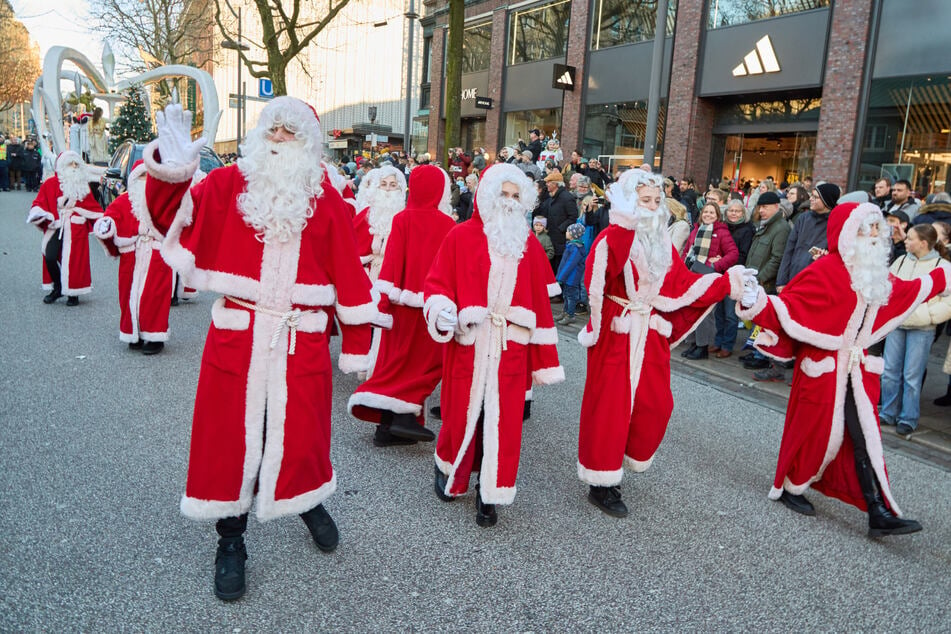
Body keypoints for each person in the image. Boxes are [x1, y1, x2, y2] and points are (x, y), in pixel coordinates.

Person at [142, 100, 378, 601]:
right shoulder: (227, 184)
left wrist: (356, 344)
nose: (280, 138)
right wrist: (173, 168)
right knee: (229, 440)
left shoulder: (327, 198)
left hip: (301, 338)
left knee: (303, 432)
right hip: (238, 332)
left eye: (292, 131)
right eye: (274, 128)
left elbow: (351, 275)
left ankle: (305, 497)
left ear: (310, 143)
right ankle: (231, 540)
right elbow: (170, 219)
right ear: (259, 133)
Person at [739, 201, 949, 537]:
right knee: (813, 431)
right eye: (870, 229)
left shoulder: (876, 274)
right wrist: (755, 302)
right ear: (850, 233)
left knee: (863, 436)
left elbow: (906, 291)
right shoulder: (826, 270)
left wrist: (941, 276)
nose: (879, 235)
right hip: (821, 369)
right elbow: (789, 305)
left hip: (856, 369)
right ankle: (793, 485)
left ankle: (877, 511)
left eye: (879, 229)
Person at [576, 169, 753, 517]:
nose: (654, 207)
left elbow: (682, 284)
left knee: (656, 404)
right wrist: (624, 226)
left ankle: (623, 458)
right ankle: (602, 481)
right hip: (618, 331)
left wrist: (725, 284)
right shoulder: (612, 238)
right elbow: (600, 274)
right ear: (629, 203)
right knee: (610, 408)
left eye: (657, 201)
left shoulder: (662, 244)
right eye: (645, 201)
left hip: (650, 331)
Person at [423, 162, 564, 528]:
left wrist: (543, 360)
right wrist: (441, 311)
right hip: (469, 343)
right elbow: (437, 284)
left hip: (510, 347)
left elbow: (539, 305)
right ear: (487, 195)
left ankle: (491, 492)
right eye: (503, 193)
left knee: (503, 422)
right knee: (460, 412)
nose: (509, 202)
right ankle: (451, 468)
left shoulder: (527, 244)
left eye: (516, 196)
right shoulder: (460, 236)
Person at [347, 164, 457, 447]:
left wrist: (383, 301)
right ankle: (401, 417)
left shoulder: (402, 219)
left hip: (399, 305)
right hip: (431, 306)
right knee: (427, 364)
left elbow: (392, 263)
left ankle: (388, 426)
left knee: (395, 362)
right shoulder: (448, 225)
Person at [92, 160, 177, 354]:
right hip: (132, 254)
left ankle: (155, 337)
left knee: (155, 296)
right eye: (141, 176)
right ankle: (134, 333)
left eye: (150, 176)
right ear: (133, 179)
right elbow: (111, 217)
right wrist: (106, 226)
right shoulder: (123, 201)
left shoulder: (166, 202)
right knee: (128, 294)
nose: (146, 180)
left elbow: (179, 223)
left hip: (157, 253)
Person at [878, 224, 951, 436]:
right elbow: (886, 286)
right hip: (897, 323)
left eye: (910, 238)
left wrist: (929, 316)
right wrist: (889, 309)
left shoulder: (942, 266)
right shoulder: (901, 261)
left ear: (923, 243)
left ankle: (908, 417)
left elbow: (948, 301)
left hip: (922, 327)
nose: (905, 241)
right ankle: (888, 411)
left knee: (912, 374)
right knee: (890, 371)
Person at [26, 150, 104, 305]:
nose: (73, 167)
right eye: (70, 164)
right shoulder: (50, 183)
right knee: (50, 256)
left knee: (74, 261)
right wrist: (42, 215)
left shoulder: (83, 186)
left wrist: (103, 225)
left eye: (76, 164)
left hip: (76, 228)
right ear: (61, 166)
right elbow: (39, 203)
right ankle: (58, 287)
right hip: (57, 225)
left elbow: (93, 208)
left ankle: (73, 293)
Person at [679, 201, 739, 360]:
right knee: (692, 310)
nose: (708, 215)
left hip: (708, 277)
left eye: (712, 213)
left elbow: (733, 254)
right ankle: (693, 343)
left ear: (718, 216)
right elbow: (687, 251)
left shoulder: (722, 232)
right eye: (705, 212)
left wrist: (715, 265)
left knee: (705, 313)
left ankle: (703, 347)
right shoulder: (696, 230)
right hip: (692, 276)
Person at [740, 191, 791, 371]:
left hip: (765, 284)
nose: (761, 210)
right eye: (760, 207)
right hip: (755, 281)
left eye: (765, 207)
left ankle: (761, 355)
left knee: (764, 322)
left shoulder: (781, 228)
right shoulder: (766, 225)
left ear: (776, 207)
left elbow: (777, 258)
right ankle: (754, 350)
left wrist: (760, 278)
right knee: (756, 320)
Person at [352, 165, 408, 282]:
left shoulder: (405, 218)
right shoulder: (365, 215)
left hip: (393, 277)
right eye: (383, 184)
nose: (387, 189)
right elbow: (349, 246)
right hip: (366, 277)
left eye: (393, 185)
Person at [712, 199, 754, 357]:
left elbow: (743, 255)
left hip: (735, 275)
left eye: (737, 211)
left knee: (730, 313)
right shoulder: (722, 227)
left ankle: (727, 345)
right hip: (720, 274)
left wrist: (722, 261)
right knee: (719, 311)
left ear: (743, 213)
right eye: (731, 210)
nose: (733, 214)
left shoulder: (747, 229)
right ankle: (717, 341)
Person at [543, 171, 577, 274]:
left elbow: (573, 217)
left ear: (555, 184)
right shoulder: (552, 197)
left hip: (560, 240)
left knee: (558, 269)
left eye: (549, 182)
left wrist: (560, 228)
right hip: (552, 239)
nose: (546, 184)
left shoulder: (567, 198)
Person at [555, 223, 586, 325]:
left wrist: (561, 277)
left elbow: (570, 264)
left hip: (572, 278)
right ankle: (565, 312)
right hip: (567, 277)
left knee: (570, 296)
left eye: (568, 231)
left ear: (573, 234)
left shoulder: (575, 248)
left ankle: (570, 315)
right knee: (565, 295)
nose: (566, 232)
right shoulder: (571, 245)